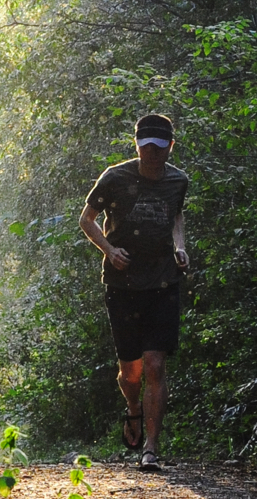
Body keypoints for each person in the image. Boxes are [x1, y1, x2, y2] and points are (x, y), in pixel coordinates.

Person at [79, 113, 189, 472]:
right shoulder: (115, 177)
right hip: (122, 284)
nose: (152, 154)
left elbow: (176, 216)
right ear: (137, 146)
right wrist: (110, 251)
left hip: (162, 282)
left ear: (170, 147)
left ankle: (151, 449)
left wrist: (179, 246)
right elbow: (86, 219)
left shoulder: (178, 181)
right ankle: (133, 409)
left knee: (156, 364)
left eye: (159, 148)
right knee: (131, 371)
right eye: (146, 148)